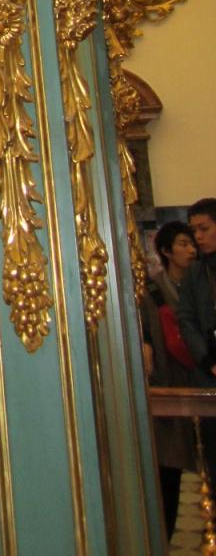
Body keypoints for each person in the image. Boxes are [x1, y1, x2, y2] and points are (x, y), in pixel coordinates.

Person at [143, 221, 197, 537]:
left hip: (198, 378)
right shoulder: (153, 291)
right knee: (170, 471)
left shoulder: (200, 285)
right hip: (169, 382)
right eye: (183, 244)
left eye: (192, 243)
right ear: (166, 251)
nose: (191, 250)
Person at [176, 198, 216, 489]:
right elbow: (186, 319)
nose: (198, 237)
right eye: (194, 231)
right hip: (208, 371)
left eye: (204, 229)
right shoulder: (195, 273)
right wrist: (207, 360)